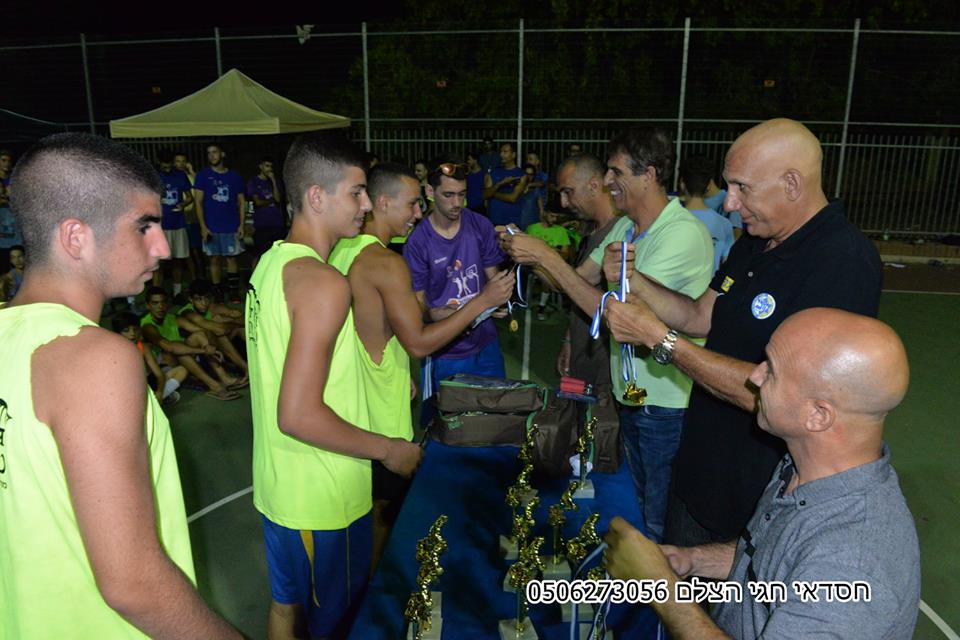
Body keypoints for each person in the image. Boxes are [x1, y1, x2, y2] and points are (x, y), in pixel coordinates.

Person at [0, 132, 241, 638]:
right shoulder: (95, 357)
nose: (161, 246)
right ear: (76, 237)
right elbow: (134, 584)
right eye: (144, 226)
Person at [601, 118, 884, 548]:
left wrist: (661, 340)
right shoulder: (754, 240)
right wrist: (634, 280)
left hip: (757, 504)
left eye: (742, 188)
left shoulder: (842, 261)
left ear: (792, 183)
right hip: (699, 477)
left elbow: (785, 396)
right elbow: (701, 315)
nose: (730, 204)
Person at [604, 308, 920, 640]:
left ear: (818, 415)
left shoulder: (852, 562)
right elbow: (776, 561)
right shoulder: (802, 468)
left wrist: (661, 587)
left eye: (772, 371)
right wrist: (693, 560)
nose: (755, 376)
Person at [246, 134, 422, 640]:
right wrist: (389, 449)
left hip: (280, 487)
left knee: (285, 610)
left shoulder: (271, 265)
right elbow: (297, 413)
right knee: (338, 625)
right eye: (356, 192)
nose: (366, 205)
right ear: (317, 197)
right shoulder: (324, 284)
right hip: (325, 498)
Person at [500, 129, 713, 542]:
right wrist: (527, 255)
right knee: (637, 503)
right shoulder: (625, 228)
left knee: (659, 516)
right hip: (630, 394)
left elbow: (621, 318)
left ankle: (660, 580)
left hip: (666, 403)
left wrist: (546, 257)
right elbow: (576, 283)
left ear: (649, 174)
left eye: (616, 172)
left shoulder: (681, 233)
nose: (608, 181)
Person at [328, 162, 513, 566]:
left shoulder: (341, 252)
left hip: (354, 405)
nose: (418, 212)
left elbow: (364, 329)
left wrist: (388, 362)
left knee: (365, 514)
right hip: (382, 417)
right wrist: (481, 303)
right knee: (386, 515)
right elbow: (418, 342)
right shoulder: (387, 261)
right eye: (413, 203)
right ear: (382, 202)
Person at [404, 155, 511, 422]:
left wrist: (499, 303)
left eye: (462, 195)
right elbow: (420, 309)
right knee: (447, 427)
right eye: (448, 195)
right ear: (430, 191)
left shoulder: (479, 225)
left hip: (486, 343)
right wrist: (440, 314)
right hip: (445, 353)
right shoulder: (417, 243)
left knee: (495, 418)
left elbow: (493, 278)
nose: (457, 203)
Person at [553, 154, 619, 387]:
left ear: (593, 185)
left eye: (568, 192)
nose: (564, 203)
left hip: (604, 366)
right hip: (580, 354)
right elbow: (579, 292)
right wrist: (569, 340)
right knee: (574, 408)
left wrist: (539, 256)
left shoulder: (619, 234)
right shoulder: (590, 230)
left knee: (598, 411)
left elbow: (571, 282)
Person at [140, 286, 242, 401]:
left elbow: (202, 331)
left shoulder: (173, 318)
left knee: (198, 335)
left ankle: (224, 377)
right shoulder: (147, 326)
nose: (160, 306)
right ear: (148, 305)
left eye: (163, 302)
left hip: (181, 358)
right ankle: (215, 386)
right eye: (155, 303)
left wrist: (209, 346)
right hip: (164, 366)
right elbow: (168, 347)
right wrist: (203, 350)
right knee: (178, 349)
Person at [193, 143, 246, 299]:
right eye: (209, 153)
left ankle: (234, 291)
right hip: (212, 226)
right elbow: (198, 202)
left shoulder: (234, 176)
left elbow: (241, 201)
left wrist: (242, 225)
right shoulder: (203, 175)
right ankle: (217, 292)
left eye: (215, 152)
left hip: (231, 225)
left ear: (222, 154)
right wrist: (203, 227)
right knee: (214, 259)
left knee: (231, 258)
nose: (212, 155)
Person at [113, 311, 188, 406]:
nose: (132, 333)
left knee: (182, 370)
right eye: (126, 330)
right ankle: (155, 400)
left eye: (135, 329)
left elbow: (159, 374)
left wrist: (160, 393)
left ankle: (156, 399)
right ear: (118, 334)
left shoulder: (143, 347)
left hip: (147, 382)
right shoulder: (115, 352)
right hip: (130, 389)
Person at [178, 278, 248, 378]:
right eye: (198, 299)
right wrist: (231, 322)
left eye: (206, 298)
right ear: (191, 299)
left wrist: (230, 321)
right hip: (197, 356)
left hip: (215, 351)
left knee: (239, 328)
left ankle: (261, 359)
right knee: (219, 332)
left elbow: (245, 318)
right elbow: (220, 330)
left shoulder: (212, 307)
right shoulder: (188, 313)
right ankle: (246, 369)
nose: (204, 303)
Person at [679, 155, 735, 274]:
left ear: (682, 184)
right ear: (709, 185)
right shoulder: (724, 224)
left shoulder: (669, 220)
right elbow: (727, 264)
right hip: (710, 285)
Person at [155, 150, 194, 297]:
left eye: (169, 166)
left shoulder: (180, 175)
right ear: (159, 163)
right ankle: (157, 294)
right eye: (164, 166)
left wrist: (183, 204)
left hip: (178, 224)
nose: (167, 169)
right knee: (159, 262)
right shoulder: (154, 176)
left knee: (178, 260)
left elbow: (190, 197)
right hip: (160, 226)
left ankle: (177, 293)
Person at [247, 157, 286, 269]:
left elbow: (278, 199)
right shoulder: (254, 181)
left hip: (276, 223)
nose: (269, 169)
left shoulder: (276, 182)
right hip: (261, 224)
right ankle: (254, 277)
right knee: (258, 254)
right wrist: (271, 201)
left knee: (277, 254)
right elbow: (258, 202)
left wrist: (273, 181)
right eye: (267, 166)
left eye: (271, 167)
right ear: (261, 167)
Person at [484, 142, 528, 227]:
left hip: (512, 222)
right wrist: (500, 184)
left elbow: (512, 198)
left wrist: (493, 194)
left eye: (505, 152)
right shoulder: (494, 172)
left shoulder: (521, 175)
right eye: (501, 152)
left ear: (513, 155)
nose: (501, 154)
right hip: (493, 221)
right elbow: (485, 195)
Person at [174, 151, 203, 280]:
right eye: (177, 161)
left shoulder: (191, 177)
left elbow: (201, 186)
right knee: (186, 252)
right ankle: (193, 279)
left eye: (183, 161)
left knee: (196, 250)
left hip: (192, 217)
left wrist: (192, 171)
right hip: (178, 218)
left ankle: (200, 278)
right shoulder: (173, 177)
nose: (180, 164)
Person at [0, 149, 22, 274]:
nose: (6, 164)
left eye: (9, 161)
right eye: (3, 160)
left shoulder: (15, 178)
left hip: (13, 226)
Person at [465, 150, 487, 214]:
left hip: (480, 207)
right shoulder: (467, 174)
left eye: (469, 159)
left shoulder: (484, 174)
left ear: (475, 160)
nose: (468, 162)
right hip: (468, 206)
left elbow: (486, 190)